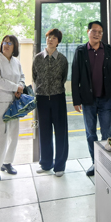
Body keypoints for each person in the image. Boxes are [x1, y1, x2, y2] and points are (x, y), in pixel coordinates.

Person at [72, 20, 111, 177]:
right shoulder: (81, 51)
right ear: (88, 32)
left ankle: (107, 163)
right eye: (94, 31)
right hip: (88, 100)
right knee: (90, 134)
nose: (97, 34)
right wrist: (76, 100)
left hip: (105, 98)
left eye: (100, 32)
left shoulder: (108, 50)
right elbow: (75, 76)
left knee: (107, 132)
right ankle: (96, 163)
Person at [0, 35, 26, 181]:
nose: (6, 45)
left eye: (10, 43)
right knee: (1, 134)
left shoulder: (16, 62)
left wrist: (20, 86)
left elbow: (22, 77)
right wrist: (16, 87)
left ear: (15, 46)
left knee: (13, 134)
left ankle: (7, 162)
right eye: (4, 42)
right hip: (1, 101)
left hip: (14, 102)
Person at [33, 28, 69, 177]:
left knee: (60, 132)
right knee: (44, 132)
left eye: (54, 38)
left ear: (58, 42)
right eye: (49, 37)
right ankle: (46, 163)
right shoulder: (37, 58)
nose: (50, 40)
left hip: (58, 97)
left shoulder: (62, 59)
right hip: (41, 98)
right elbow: (35, 77)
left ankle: (59, 166)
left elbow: (63, 78)